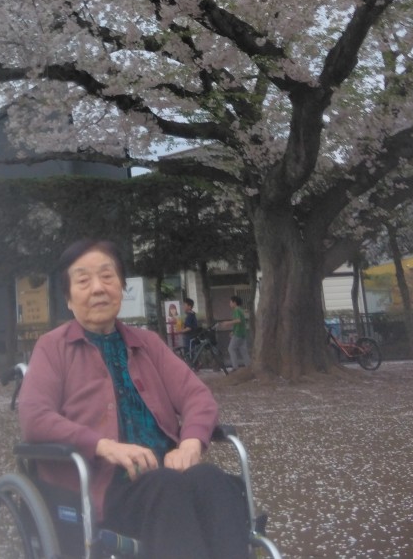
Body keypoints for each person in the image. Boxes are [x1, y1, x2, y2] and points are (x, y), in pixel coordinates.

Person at [17, 239, 250, 559]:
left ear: (122, 287)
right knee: (168, 488)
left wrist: (190, 443)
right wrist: (104, 446)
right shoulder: (52, 347)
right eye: (83, 281)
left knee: (212, 480)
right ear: (68, 298)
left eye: (107, 276)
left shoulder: (147, 343)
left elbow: (197, 396)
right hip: (103, 488)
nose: (98, 288)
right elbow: (35, 417)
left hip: (166, 477)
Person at [219, 295, 250, 370]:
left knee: (231, 349)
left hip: (238, 333)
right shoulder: (240, 310)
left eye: (230, 302)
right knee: (243, 350)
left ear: (234, 303)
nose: (229, 303)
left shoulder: (237, 310)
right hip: (243, 333)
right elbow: (240, 323)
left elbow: (238, 320)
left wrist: (227, 323)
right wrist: (233, 331)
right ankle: (248, 367)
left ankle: (235, 367)